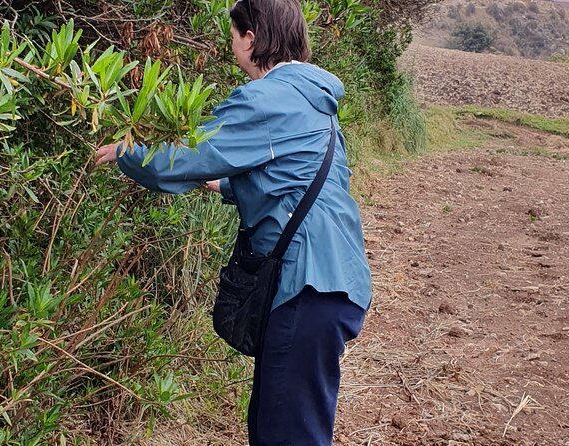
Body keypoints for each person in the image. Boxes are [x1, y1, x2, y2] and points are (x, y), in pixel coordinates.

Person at [95, 0, 372, 444]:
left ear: (252, 37)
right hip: (333, 281)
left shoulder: (268, 98)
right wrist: (223, 187)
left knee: (285, 435)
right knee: (275, 425)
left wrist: (127, 153)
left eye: (232, 38)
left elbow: (187, 155)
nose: (231, 49)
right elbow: (294, 181)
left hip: (306, 284)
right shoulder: (315, 103)